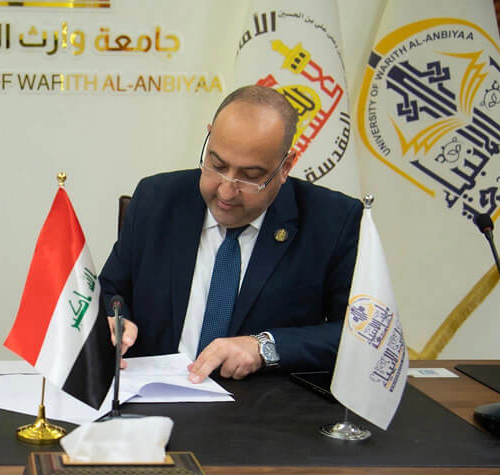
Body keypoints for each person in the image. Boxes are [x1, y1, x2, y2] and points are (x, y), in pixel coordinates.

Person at [99, 85, 362, 383]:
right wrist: (114, 320)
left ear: (286, 166)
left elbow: (359, 334)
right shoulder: (156, 199)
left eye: (250, 177)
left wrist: (264, 347)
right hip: (154, 395)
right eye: (217, 165)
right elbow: (110, 291)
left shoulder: (333, 221)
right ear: (209, 138)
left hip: (262, 404)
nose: (226, 191)